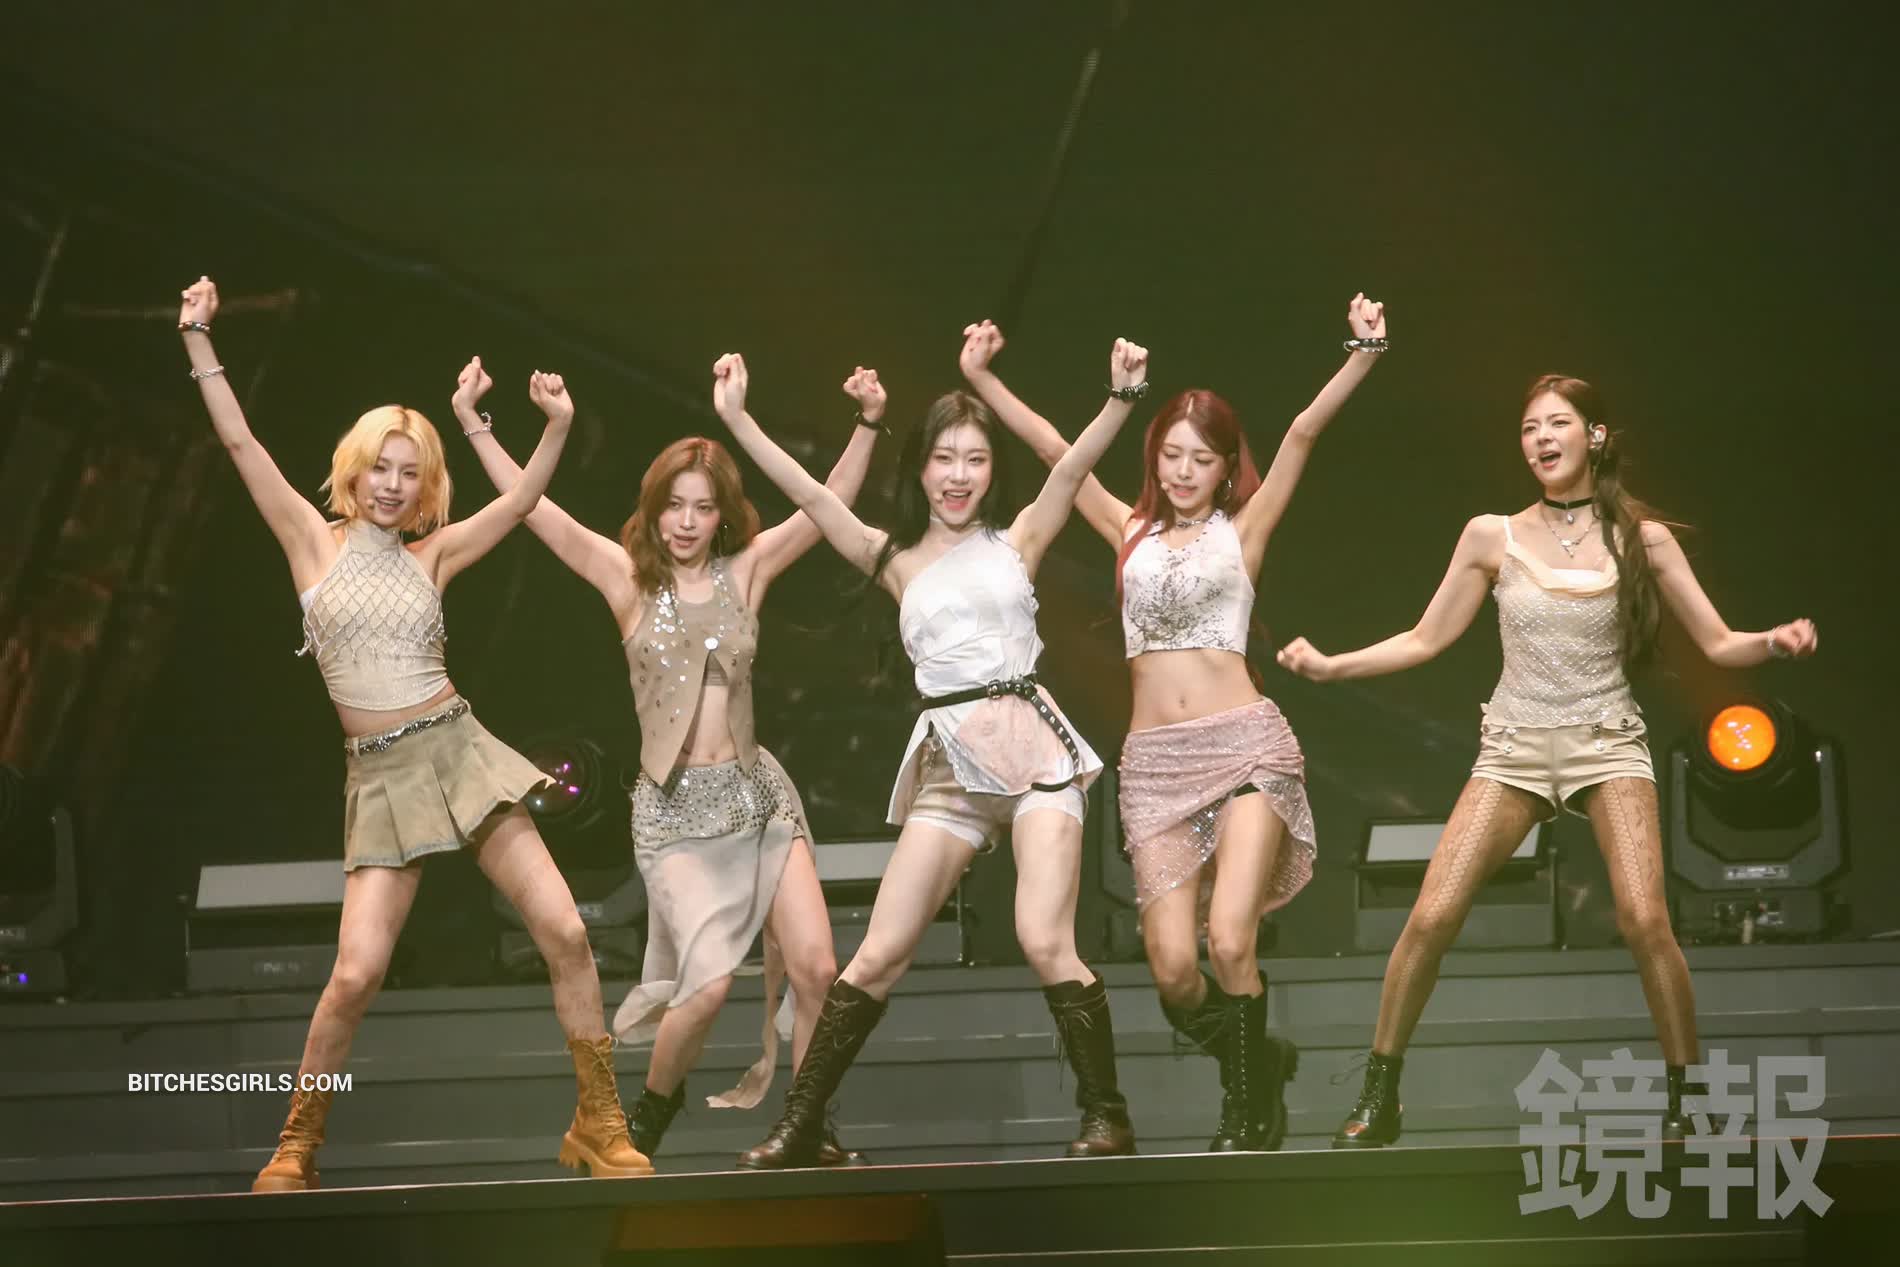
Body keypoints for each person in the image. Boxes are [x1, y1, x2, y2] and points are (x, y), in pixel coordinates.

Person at [175, 277, 651, 1191]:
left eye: (409, 472)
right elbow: (240, 442)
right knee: (355, 974)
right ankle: (297, 1142)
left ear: (425, 484)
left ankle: (600, 1122)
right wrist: (199, 336)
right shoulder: (310, 541)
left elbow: (520, 504)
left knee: (565, 929)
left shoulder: (436, 552)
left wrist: (551, 426)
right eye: (380, 468)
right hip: (383, 776)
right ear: (354, 470)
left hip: (458, 751)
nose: (393, 485)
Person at [1275, 373, 1820, 1147]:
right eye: (1530, 427)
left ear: (1594, 436)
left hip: (1607, 743)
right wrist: (1333, 666)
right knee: (1431, 914)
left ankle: (1688, 1098)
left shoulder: (1642, 539)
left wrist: (1774, 642)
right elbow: (1425, 638)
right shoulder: (1491, 535)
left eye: (1557, 423)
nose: (1541, 439)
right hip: (1515, 747)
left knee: (1644, 917)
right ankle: (1379, 1094)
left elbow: (1720, 642)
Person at [959, 295, 1388, 1150]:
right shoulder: (1128, 528)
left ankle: (1246, 1113)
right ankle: (1259, 1061)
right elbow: (1053, 449)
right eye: (1172, 454)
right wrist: (981, 377)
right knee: (1174, 973)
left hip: (1246, 750)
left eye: (1202, 457)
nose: (1184, 469)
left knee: (1230, 941)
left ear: (1227, 468)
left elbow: (1303, 431)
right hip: (1155, 766)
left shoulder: (1243, 530)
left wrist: (1362, 352)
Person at [713, 337, 1149, 1168]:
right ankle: (804, 1126)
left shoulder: (1017, 539)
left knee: (1043, 938)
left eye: (975, 459)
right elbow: (808, 492)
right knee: (878, 953)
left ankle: (1107, 1114)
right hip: (952, 768)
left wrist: (1120, 399)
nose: (958, 474)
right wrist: (737, 419)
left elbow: (1068, 468)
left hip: (1034, 758)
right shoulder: (894, 556)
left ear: (991, 472)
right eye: (944, 458)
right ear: (919, 469)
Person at [459, 357, 884, 1165]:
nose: (686, 522)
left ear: (722, 515)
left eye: (703, 507)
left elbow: (827, 502)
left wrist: (867, 422)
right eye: (674, 506)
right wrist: (479, 423)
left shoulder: (747, 570)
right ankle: (648, 1117)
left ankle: (808, 1126)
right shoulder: (624, 578)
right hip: (675, 810)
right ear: (653, 510)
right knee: (708, 985)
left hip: (757, 794)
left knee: (819, 966)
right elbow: (531, 508)